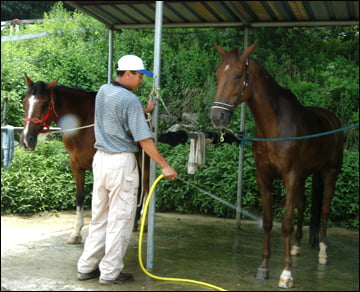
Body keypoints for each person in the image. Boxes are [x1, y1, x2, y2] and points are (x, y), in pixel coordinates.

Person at [77, 54, 178, 285]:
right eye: (140, 76)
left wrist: (147, 109)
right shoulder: (129, 100)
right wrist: (165, 165)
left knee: (100, 217)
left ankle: (86, 267)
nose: (142, 80)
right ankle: (110, 273)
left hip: (100, 161)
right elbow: (144, 140)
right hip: (121, 163)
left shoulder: (103, 91)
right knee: (120, 220)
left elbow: (118, 113)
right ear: (128, 74)